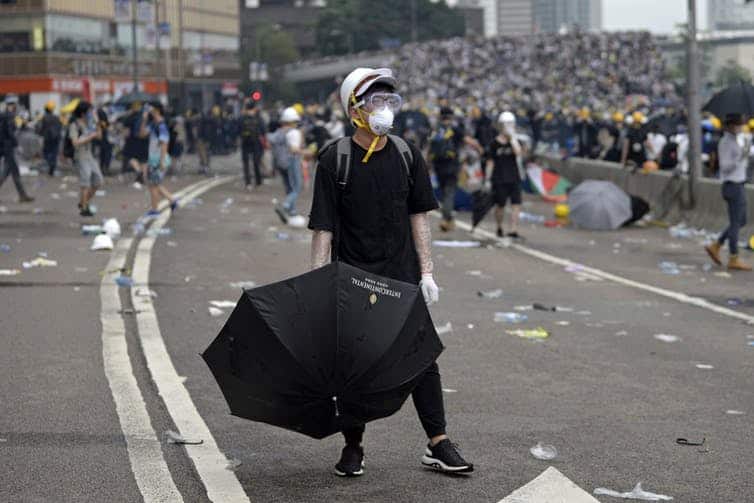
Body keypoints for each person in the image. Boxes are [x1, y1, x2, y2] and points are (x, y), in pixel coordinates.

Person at [308, 66, 473, 478]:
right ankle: (353, 447)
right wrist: (315, 285)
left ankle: (438, 443)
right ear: (355, 111)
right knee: (353, 364)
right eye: (376, 101)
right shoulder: (335, 159)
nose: (385, 108)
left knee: (422, 358)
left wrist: (428, 272)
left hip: (401, 277)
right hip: (353, 278)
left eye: (390, 101)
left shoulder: (406, 154)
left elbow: (419, 215)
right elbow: (323, 227)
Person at [705, 114, 752, 271]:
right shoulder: (726, 143)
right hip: (732, 185)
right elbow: (725, 166)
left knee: (741, 220)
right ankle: (733, 257)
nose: (740, 127)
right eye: (738, 124)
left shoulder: (735, 141)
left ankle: (716, 245)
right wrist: (740, 158)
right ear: (731, 126)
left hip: (738, 183)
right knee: (735, 222)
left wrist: (744, 154)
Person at [429, 106, 482, 232]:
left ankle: (449, 220)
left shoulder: (436, 130)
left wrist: (428, 164)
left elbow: (430, 148)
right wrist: (479, 148)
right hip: (452, 165)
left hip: (438, 165)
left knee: (443, 191)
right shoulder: (455, 129)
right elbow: (468, 141)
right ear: (451, 117)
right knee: (449, 192)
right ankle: (445, 219)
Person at [485, 111, 524, 238]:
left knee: (516, 204)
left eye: (511, 123)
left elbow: (519, 153)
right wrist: (487, 179)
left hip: (514, 177)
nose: (508, 126)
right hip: (499, 178)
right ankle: (499, 226)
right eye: (506, 124)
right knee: (500, 205)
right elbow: (490, 162)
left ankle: (513, 229)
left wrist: (512, 138)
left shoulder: (516, 141)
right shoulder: (494, 144)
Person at [272, 106, 307, 223]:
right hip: (292, 161)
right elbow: (294, 149)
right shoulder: (294, 132)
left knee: (289, 187)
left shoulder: (279, 132)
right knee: (297, 187)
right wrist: (306, 152)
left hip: (281, 163)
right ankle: (286, 206)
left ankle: (292, 211)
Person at [144, 102, 178, 218]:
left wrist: (162, 161)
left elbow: (164, 143)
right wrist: (144, 119)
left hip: (158, 160)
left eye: (151, 107)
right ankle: (172, 200)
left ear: (157, 110)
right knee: (155, 184)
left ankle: (155, 210)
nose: (148, 110)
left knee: (153, 185)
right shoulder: (153, 124)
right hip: (153, 159)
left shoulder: (161, 125)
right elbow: (141, 133)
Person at [69, 101, 103, 217]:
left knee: (98, 181)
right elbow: (75, 142)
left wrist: (97, 121)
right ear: (83, 113)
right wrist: (90, 137)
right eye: (89, 111)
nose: (90, 113)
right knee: (85, 183)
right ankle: (84, 208)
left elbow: (99, 135)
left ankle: (83, 202)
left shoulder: (89, 124)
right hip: (80, 156)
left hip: (89, 155)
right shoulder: (74, 125)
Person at [0, 94, 34, 202]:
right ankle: (23, 195)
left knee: (9, 172)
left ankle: (22, 195)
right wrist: (16, 145)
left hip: (3, 146)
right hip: (8, 147)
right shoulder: (9, 116)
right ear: (14, 104)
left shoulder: (3, 114)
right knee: (13, 171)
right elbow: (10, 132)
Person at [239, 101, 266, 190]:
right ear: (254, 108)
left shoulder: (242, 118)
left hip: (245, 142)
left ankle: (248, 183)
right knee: (256, 162)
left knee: (246, 163)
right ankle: (258, 182)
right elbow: (263, 130)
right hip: (256, 142)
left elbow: (237, 129)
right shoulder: (258, 118)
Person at [37, 100, 62, 177]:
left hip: (47, 139)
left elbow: (41, 128)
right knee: (54, 153)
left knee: (47, 153)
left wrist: (40, 134)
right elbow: (60, 127)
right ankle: (52, 168)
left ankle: (50, 164)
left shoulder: (44, 118)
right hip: (56, 139)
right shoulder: (57, 117)